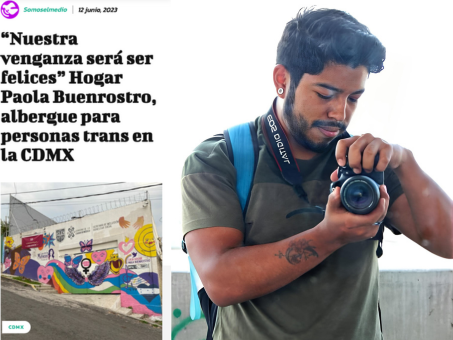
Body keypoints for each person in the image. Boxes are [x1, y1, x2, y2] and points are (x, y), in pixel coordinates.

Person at [181, 8, 453, 340]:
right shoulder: (220, 159)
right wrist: (330, 235)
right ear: (282, 80)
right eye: (325, 94)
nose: (339, 113)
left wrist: (404, 159)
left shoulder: (367, 163)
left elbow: (448, 242)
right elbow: (221, 282)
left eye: (353, 98)